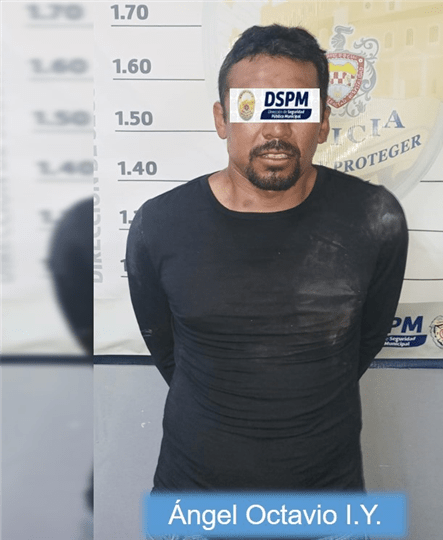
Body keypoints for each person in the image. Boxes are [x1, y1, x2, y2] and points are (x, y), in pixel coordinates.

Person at [127, 24, 408, 493]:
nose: (275, 130)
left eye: (296, 108)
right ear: (222, 119)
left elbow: (362, 344)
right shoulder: (158, 224)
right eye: (252, 107)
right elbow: (166, 348)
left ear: (323, 122)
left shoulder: (375, 218)